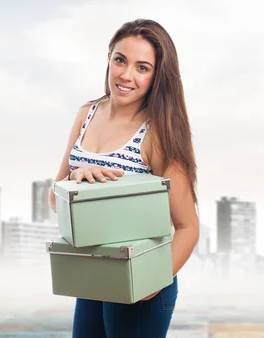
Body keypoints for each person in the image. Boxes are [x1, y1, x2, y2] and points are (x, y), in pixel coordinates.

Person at [48, 19, 199, 337]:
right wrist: (77, 178)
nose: (127, 75)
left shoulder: (158, 135)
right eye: (120, 60)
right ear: (109, 59)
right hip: (94, 276)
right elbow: (54, 200)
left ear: (157, 76)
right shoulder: (87, 113)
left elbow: (188, 228)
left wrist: (151, 282)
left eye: (142, 67)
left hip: (143, 285)